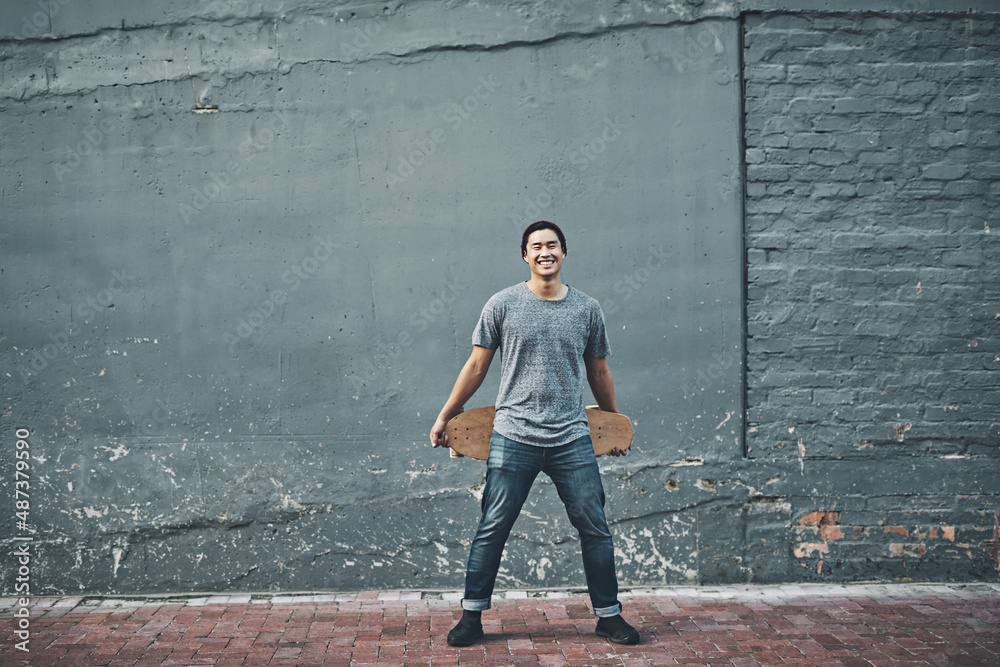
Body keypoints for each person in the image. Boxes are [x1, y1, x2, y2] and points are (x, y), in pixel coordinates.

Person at [429, 220, 640, 647]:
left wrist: (615, 426)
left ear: (564, 252)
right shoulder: (502, 304)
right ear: (525, 255)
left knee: (595, 528)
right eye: (536, 246)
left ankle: (608, 616)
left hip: (571, 437)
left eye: (553, 245)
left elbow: (599, 370)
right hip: (513, 435)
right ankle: (471, 618)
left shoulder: (587, 309)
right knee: (493, 526)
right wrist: (444, 416)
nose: (546, 251)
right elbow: (475, 367)